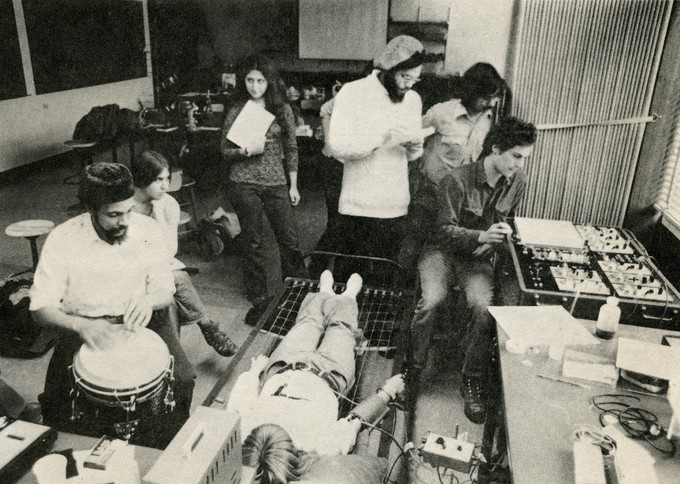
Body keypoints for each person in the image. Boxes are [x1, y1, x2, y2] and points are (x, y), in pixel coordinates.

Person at [30, 162, 194, 448]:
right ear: (90, 210)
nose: (125, 221)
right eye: (113, 215)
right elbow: (39, 309)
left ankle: (169, 452)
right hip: (83, 325)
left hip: (144, 320)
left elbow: (165, 290)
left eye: (129, 210)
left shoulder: (148, 230)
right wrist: (80, 324)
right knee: (56, 402)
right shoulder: (63, 239)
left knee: (183, 380)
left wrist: (147, 300)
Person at [408, 117, 537, 424]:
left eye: (525, 158)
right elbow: (442, 231)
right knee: (433, 300)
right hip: (442, 252)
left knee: (483, 308)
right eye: (516, 156)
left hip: (478, 258)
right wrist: (480, 235)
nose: (520, 165)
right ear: (495, 148)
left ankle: (472, 378)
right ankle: (412, 369)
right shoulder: (457, 180)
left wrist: (497, 240)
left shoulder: (518, 183)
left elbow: (508, 221)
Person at [228, 270, 405, 483]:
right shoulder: (321, 447)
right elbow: (353, 422)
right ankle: (349, 296)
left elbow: (241, 398)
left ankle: (324, 292)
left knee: (308, 323)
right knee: (342, 328)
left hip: (283, 366)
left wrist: (254, 372)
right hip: (329, 375)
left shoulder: (244, 430)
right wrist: (388, 391)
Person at [325, 36, 427, 265]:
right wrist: (380, 138)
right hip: (357, 204)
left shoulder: (413, 100)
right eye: (405, 76)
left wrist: (414, 146)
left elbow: (413, 156)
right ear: (388, 69)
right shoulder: (352, 93)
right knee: (349, 274)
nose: (409, 84)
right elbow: (338, 145)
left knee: (384, 275)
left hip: (394, 204)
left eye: (415, 79)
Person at [131, 150, 238, 357]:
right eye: (158, 179)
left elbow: (170, 250)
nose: (165, 186)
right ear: (142, 178)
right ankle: (207, 326)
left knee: (175, 281)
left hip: (158, 264)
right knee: (178, 278)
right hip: (130, 266)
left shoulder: (168, 204)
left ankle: (177, 352)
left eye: (167, 179)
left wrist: (159, 213)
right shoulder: (124, 205)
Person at [221, 54, 307, 305]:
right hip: (243, 182)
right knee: (253, 240)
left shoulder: (282, 110)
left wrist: (293, 184)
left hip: (276, 182)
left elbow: (291, 148)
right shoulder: (236, 109)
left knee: (289, 239)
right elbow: (224, 151)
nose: (254, 86)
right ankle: (257, 294)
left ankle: (298, 290)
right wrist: (245, 151)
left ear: (269, 81)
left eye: (260, 80)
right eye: (249, 80)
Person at [420, 63, 506, 185]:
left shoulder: (490, 122)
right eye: (486, 98)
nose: (491, 104)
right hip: (430, 190)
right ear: (471, 91)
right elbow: (413, 142)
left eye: (494, 98)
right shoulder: (441, 113)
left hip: (461, 192)